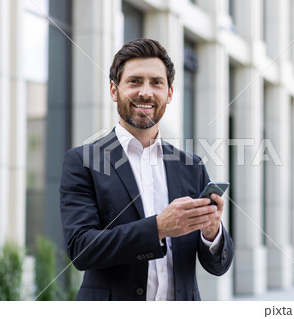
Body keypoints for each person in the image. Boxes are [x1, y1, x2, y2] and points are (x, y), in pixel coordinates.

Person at [60, 38, 234, 301]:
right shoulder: (82, 162)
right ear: (113, 90)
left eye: (156, 83)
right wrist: (159, 228)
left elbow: (218, 265)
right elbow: (82, 249)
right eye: (134, 81)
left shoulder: (192, 166)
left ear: (170, 93)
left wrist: (212, 233)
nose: (146, 92)